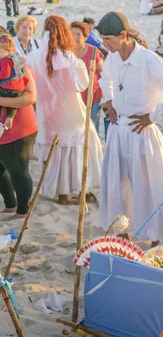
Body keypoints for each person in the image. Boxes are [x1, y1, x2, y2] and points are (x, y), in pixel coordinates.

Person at [96, 11, 163, 245]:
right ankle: (122, 234)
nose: (105, 44)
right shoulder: (113, 57)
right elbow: (104, 77)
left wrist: (154, 115)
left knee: (149, 187)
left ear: (123, 35)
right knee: (118, 186)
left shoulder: (148, 60)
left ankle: (155, 238)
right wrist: (109, 100)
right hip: (118, 131)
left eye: (108, 39)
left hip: (142, 132)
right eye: (103, 40)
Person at [26, 15, 103, 204]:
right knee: (72, 151)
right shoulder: (69, 58)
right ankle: (72, 191)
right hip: (71, 114)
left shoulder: (32, 57)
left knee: (54, 152)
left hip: (46, 114)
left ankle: (63, 195)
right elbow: (83, 84)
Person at [0, 47, 37, 220]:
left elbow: (30, 97)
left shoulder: (17, 65)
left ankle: (23, 211)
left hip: (17, 127)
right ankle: (10, 205)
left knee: (17, 169)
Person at [71, 21, 105, 137]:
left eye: (78, 34)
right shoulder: (67, 53)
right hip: (75, 98)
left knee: (92, 127)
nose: (75, 37)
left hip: (93, 96)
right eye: (72, 34)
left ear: (85, 37)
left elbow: (103, 74)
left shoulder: (94, 51)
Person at [0, 34, 29, 134]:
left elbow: (5, 74)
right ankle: (10, 118)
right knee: (12, 105)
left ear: (7, 50)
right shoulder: (16, 57)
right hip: (18, 89)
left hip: (8, 88)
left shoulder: (5, 60)